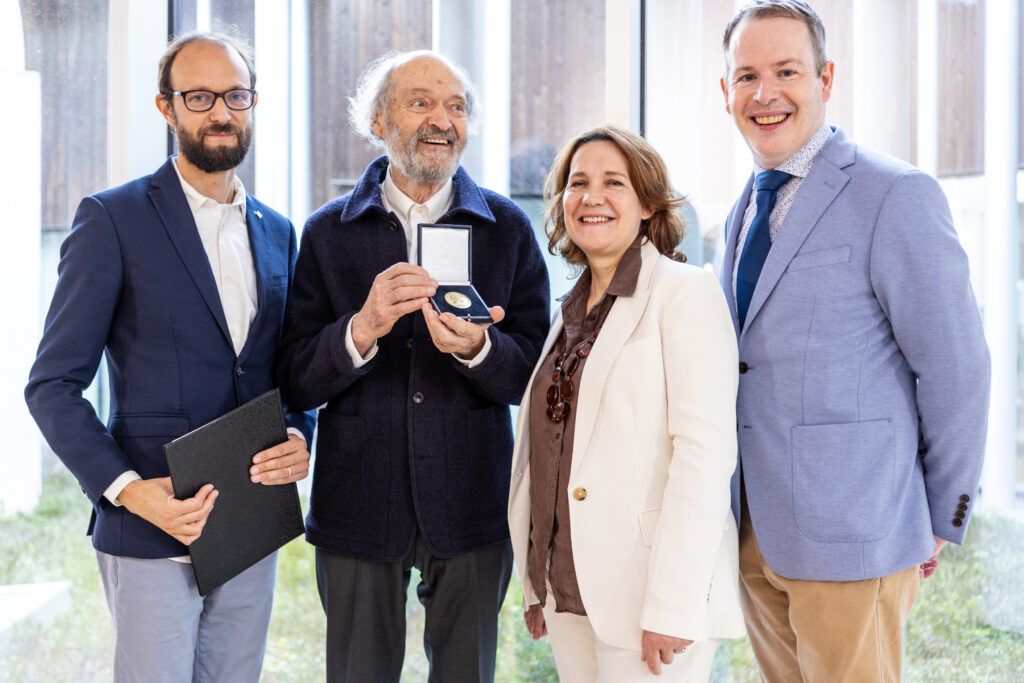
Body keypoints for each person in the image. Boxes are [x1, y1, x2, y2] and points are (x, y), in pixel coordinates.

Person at [24, 32, 315, 683]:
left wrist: (301, 432)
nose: (220, 112)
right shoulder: (112, 220)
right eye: (200, 96)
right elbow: (52, 386)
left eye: (234, 96)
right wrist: (129, 492)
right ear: (167, 108)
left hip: (251, 524)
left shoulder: (279, 232)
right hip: (154, 526)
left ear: (253, 102)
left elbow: (286, 370)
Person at [717, 2, 991, 680]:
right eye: (746, 75)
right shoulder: (742, 207)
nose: (765, 93)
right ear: (724, 92)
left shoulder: (894, 194)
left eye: (786, 70)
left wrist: (941, 512)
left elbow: (958, 367)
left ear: (825, 78)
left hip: (856, 537)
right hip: (756, 532)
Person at [276, 49, 550, 682]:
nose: (442, 119)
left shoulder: (508, 229)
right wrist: (361, 329)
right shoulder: (326, 234)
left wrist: (478, 351)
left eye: (456, 106)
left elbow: (535, 373)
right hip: (356, 505)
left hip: (472, 503)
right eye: (420, 102)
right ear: (378, 119)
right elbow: (294, 376)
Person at [507, 126, 746, 682]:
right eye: (578, 182)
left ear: (646, 203)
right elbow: (549, 451)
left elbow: (703, 459)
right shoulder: (566, 313)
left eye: (614, 182)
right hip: (570, 592)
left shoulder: (685, 294)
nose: (592, 197)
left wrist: (673, 602)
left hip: (650, 601)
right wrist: (536, 578)